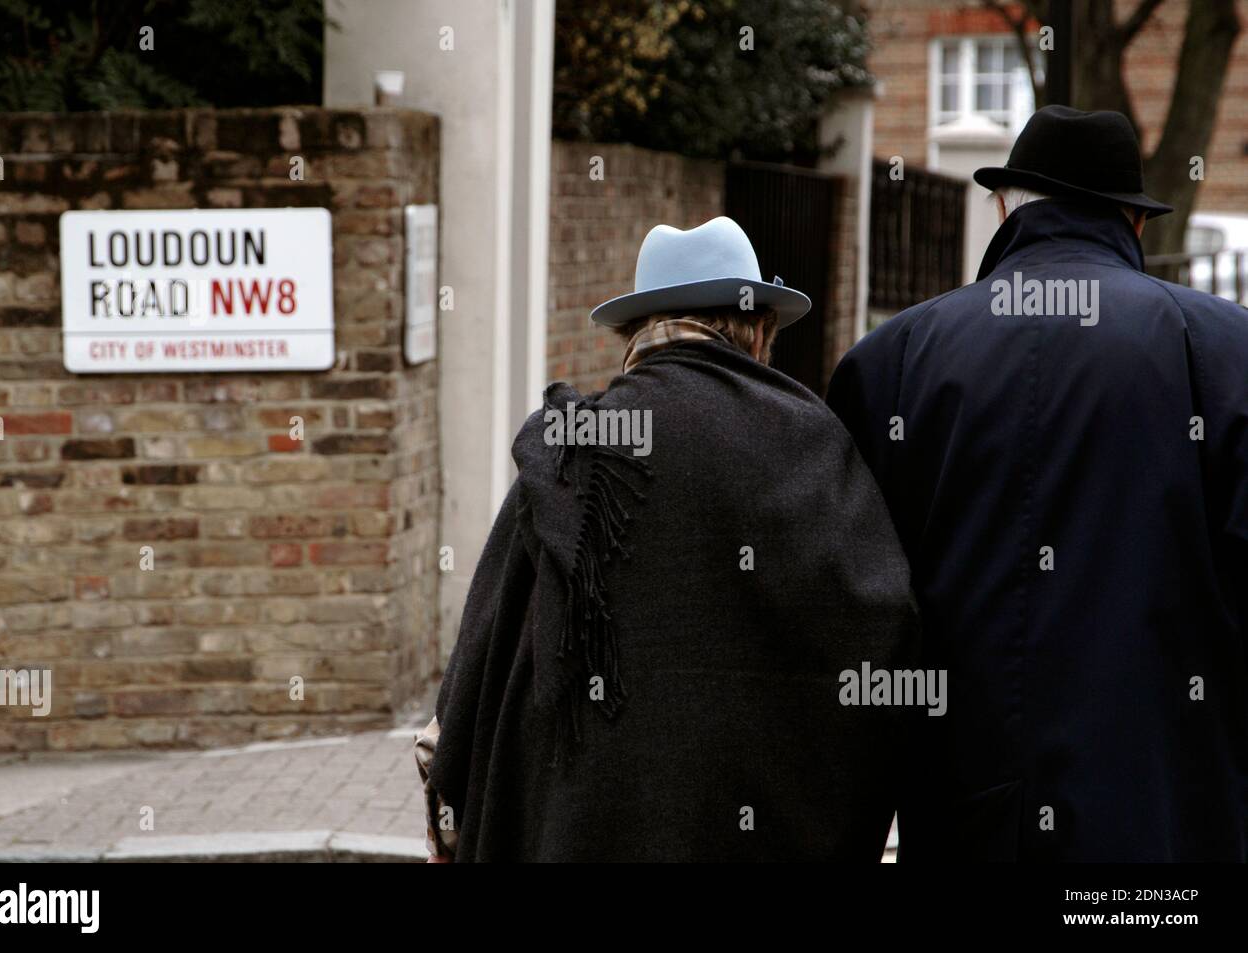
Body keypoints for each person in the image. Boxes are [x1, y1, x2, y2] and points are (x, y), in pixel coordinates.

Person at [416, 215, 919, 861]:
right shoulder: (810, 443)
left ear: (631, 333)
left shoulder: (574, 453)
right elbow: (885, 635)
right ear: (759, 329)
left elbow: (466, 693)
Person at [826, 105, 1248, 861]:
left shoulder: (891, 360)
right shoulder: (1223, 354)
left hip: (964, 820)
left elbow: (850, 616)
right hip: (1167, 831)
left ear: (1002, 206)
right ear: (1135, 222)